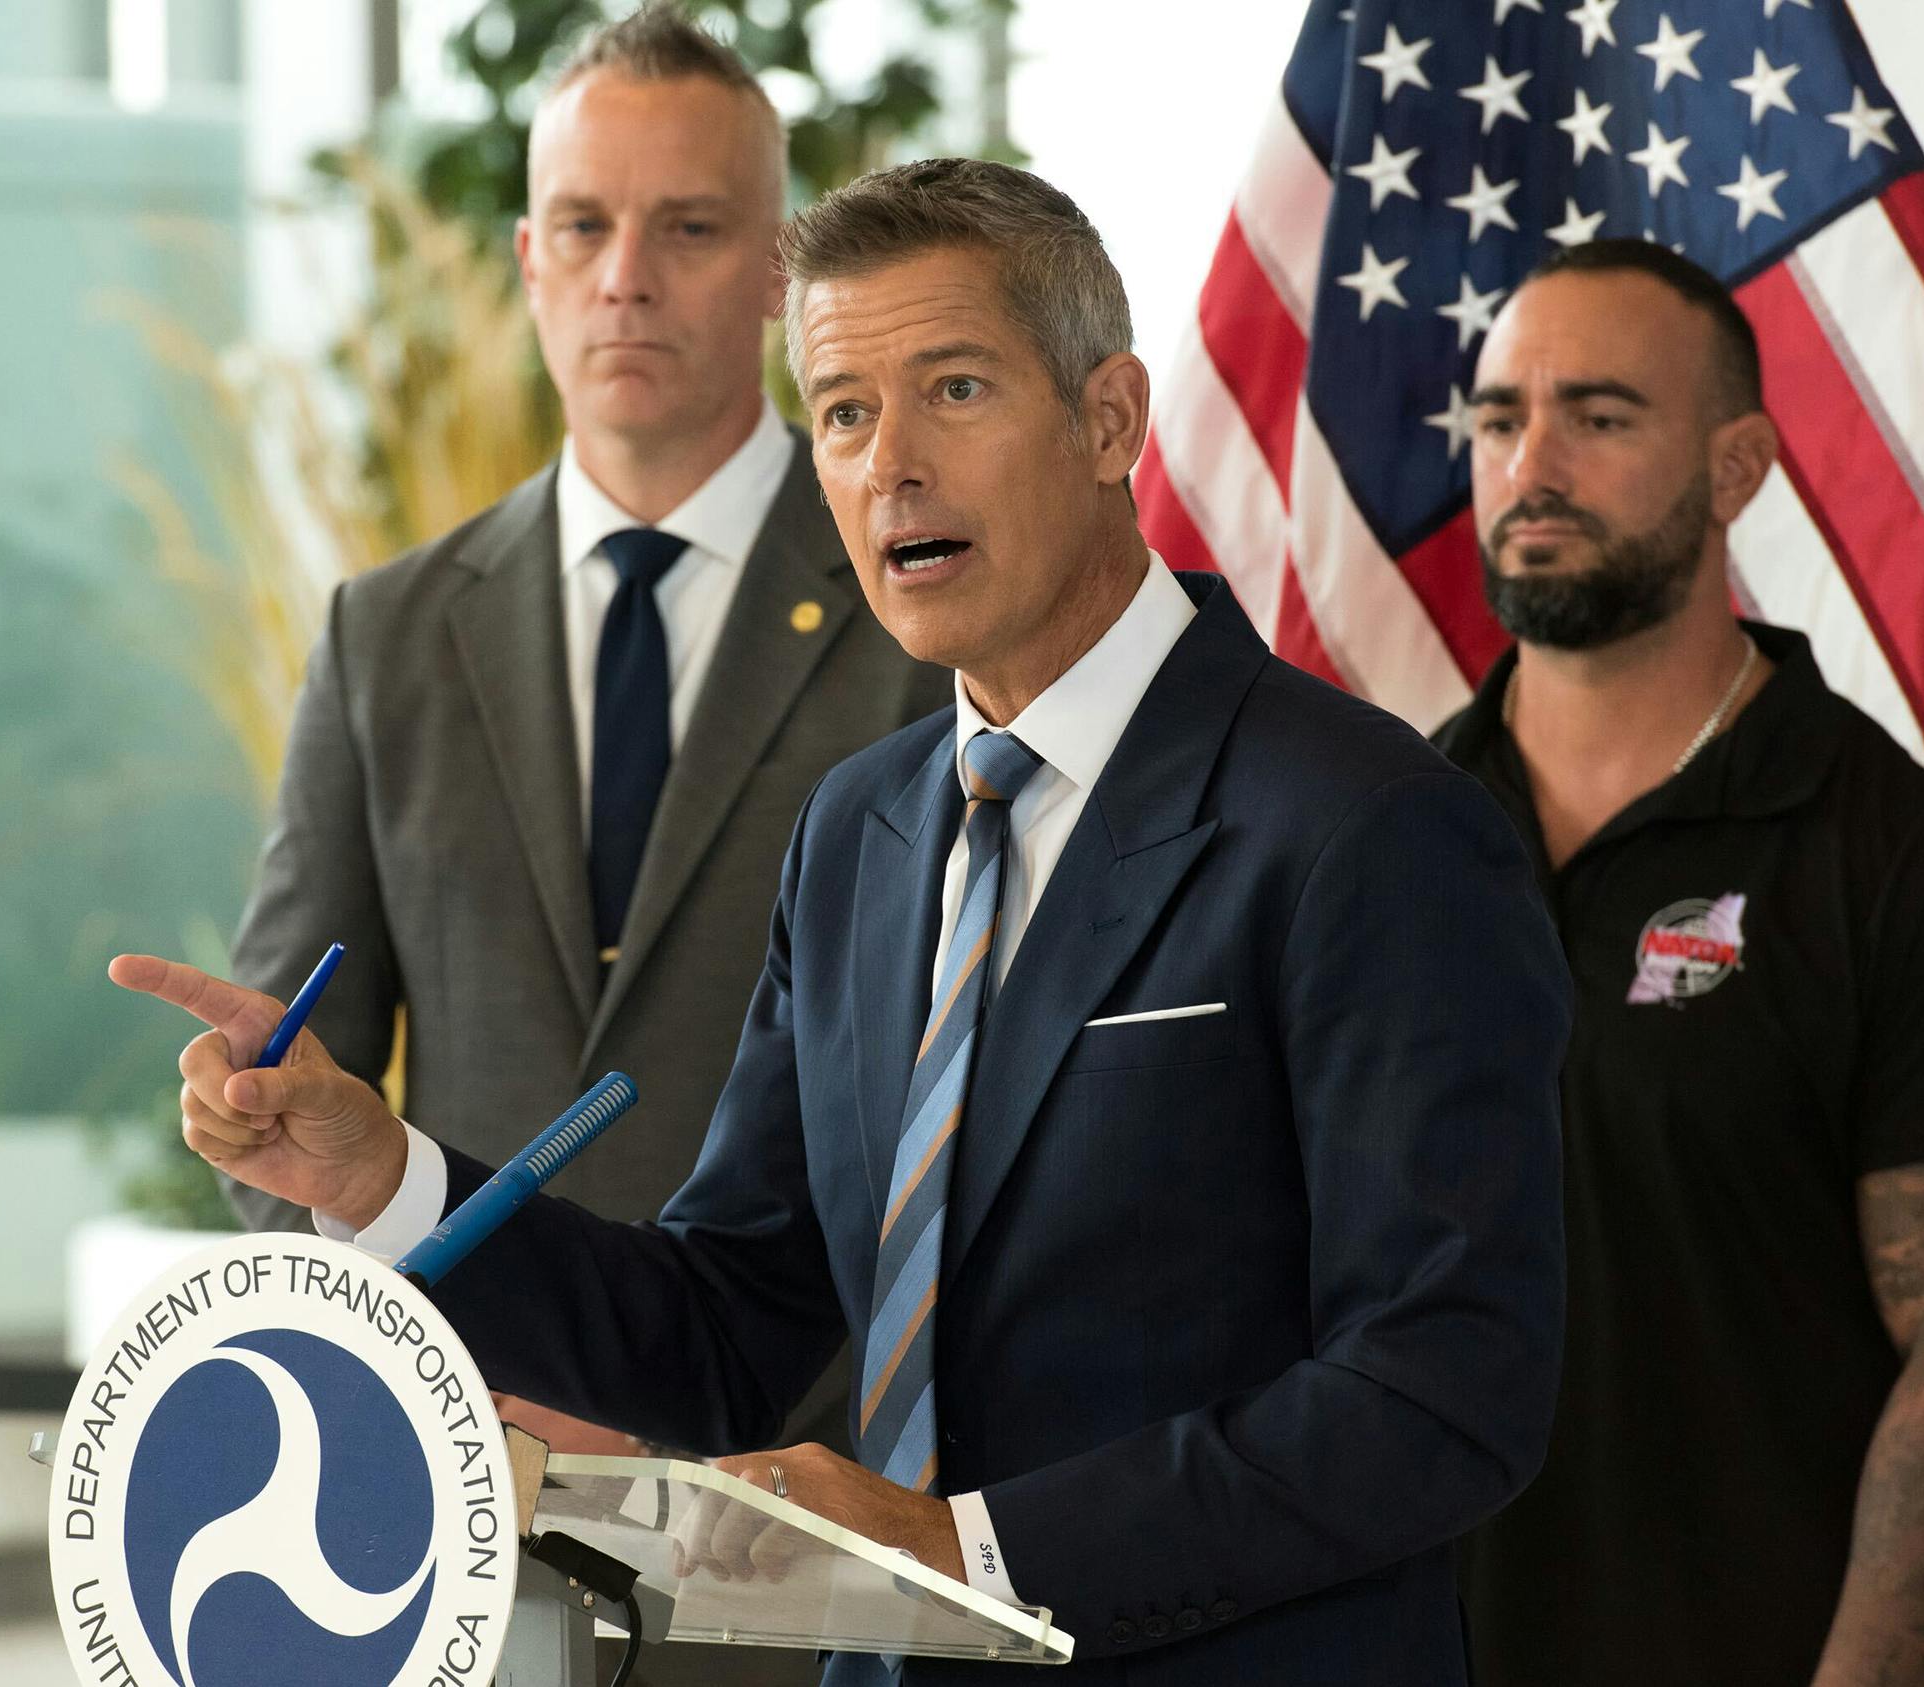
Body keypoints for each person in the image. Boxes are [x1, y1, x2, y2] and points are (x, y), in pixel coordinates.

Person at [120, 159, 1572, 1686]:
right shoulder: (858, 833)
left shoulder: (1368, 828)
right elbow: (729, 1324)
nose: (891, 464)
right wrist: (383, 1173)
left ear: (1109, 423)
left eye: (953, 390)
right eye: (844, 411)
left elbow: (1444, 1389)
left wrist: (967, 1551)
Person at [223, 2, 944, 1481]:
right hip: (466, 1478)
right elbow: (307, 1111)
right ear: (527, 262)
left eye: (687, 228)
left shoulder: (921, 606)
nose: (626, 279)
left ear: (774, 268)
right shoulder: (390, 634)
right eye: (582, 224)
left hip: (824, 1481)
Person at [1437, 241, 1924, 1687]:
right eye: (1498, 421)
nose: (1532, 463)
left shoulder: (1903, 863)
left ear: (1740, 470)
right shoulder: (1381, 845)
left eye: (1600, 419)